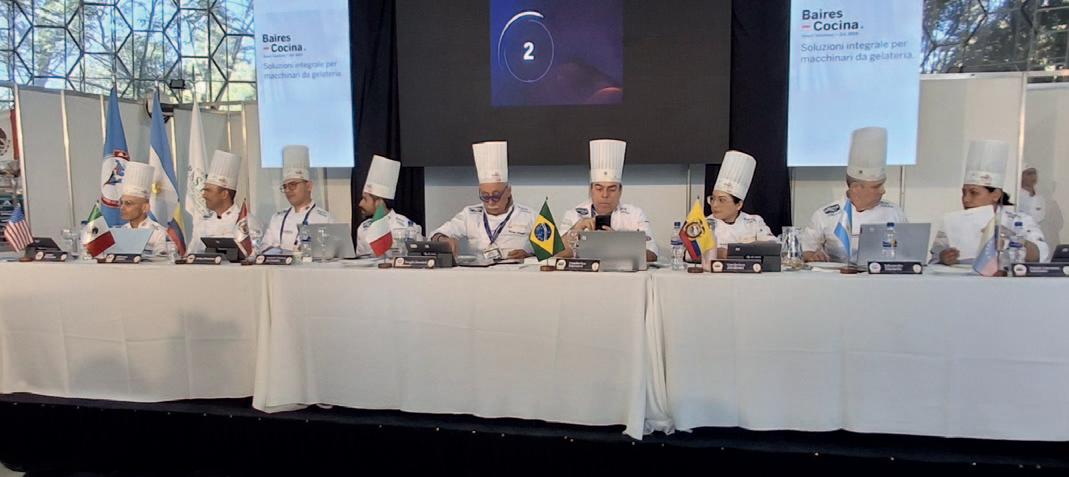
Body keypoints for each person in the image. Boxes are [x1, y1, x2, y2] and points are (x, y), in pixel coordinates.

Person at [801, 127, 907, 263]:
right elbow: (806, 250)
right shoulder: (825, 215)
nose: (883, 191)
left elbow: (908, 251)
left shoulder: (894, 212)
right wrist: (813, 256)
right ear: (856, 188)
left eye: (882, 184)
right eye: (876, 186)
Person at [932, 140, 1048, 265]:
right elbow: (933, 260)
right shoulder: (953, 223)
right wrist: (943, 258)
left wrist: (1012, 238)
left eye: (974, 193)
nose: (966, 199)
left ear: (995, 195)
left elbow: (1040, 254)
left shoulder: (1018, 221)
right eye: (964, 193)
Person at [430, 141, 534, 260]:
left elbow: (549, 251)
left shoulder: (529, 215)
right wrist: (443, 240)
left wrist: (529, 255)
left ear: (508, 191)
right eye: (485, 196)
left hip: (516, 270)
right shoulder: (470, 214)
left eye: (496, 196)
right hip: (479, 269)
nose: (490, 202)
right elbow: (436, 234)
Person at [559, 139, 658, 262]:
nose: (605, 195)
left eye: (611, 189)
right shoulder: (574, 214)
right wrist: (577, 229)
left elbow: (652, 255)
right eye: (599, 189)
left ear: (620, 191)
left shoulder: (635, 215)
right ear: (591, 190)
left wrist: (616, 242)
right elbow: (556, 253)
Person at [262, 145, 333, 252]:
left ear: (308, 186)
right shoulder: (277, 219)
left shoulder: (325, 219)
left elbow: (331, 254)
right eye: (285, 187)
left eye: (293, 185)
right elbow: (264, 248)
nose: (288, 190)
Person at [189, 150, 261, 253]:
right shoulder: (202, 223)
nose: (204, 195)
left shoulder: (247, 222)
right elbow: (190, 255)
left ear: (224, 194)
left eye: (208, 191)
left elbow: (253, 255)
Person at [706, 150, 776, 254]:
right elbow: (689, 254)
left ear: (739, 205)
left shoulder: (753, 222)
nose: (715, 205)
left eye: (722, 200)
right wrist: (718, 253)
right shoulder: (705, 224)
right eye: (712, 199)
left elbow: (773, 247)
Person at [355, 154, 420, 256]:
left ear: (379, 202)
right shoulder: (363, 228)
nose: (360, 203)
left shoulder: (406, 226)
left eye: (365, 199)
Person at [117, 161, 167, 255]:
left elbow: (162, 259)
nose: (122, 207)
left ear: (145, 207)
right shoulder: (120, 232)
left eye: (128, 203)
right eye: (121, 203)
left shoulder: (158, 232)